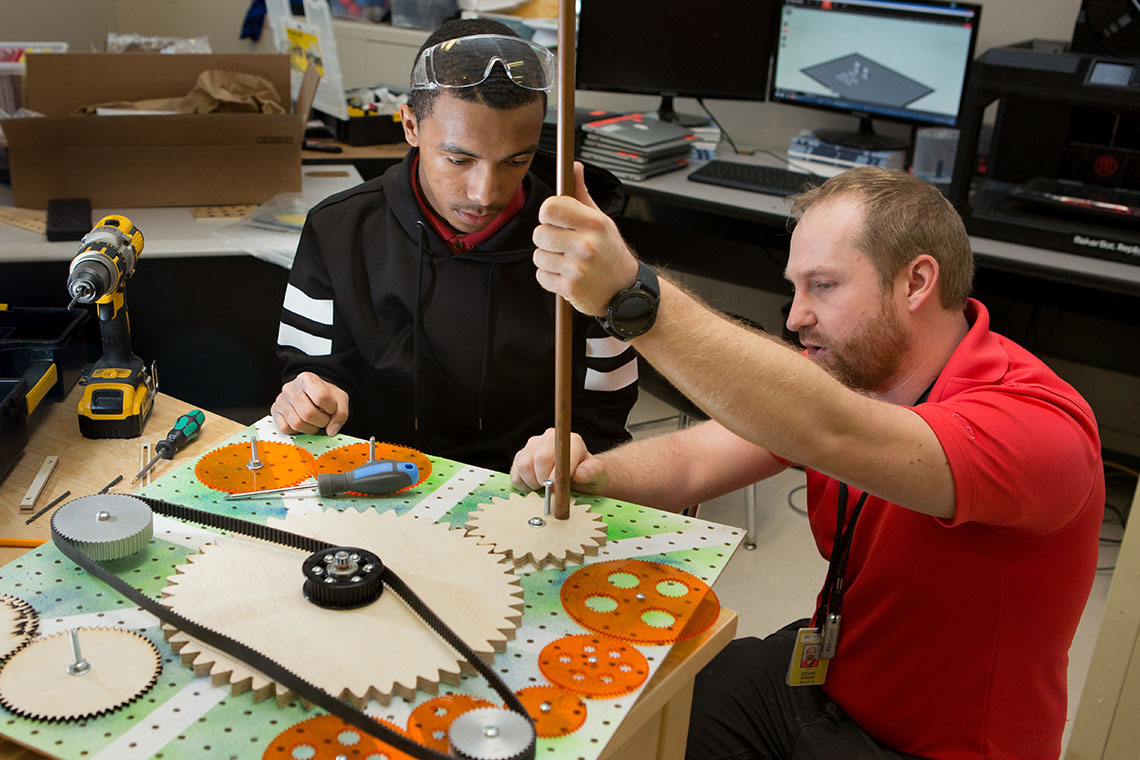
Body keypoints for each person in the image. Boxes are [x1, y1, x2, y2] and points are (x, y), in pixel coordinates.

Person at [511, 166, 1104, 759]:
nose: (795, 317)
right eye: (794, 288)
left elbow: (832, 429)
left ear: (917, 282)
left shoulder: (1039, 427)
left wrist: (632, 297)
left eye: (823, 286)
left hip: (929, 749)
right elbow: (696, 459)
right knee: (633, 723)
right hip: (824, 683)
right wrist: (590, 475)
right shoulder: (855, 376)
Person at [271, 19, 637, 472]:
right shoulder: (337, 231)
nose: (485, 193)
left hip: (523, 494)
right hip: (374, 483)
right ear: (409, 125)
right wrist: (309, 396)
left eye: (515, 160)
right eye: (459, 159)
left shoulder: (585, 247)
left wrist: (576, 444)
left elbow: (606, 413)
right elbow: (308, 369)